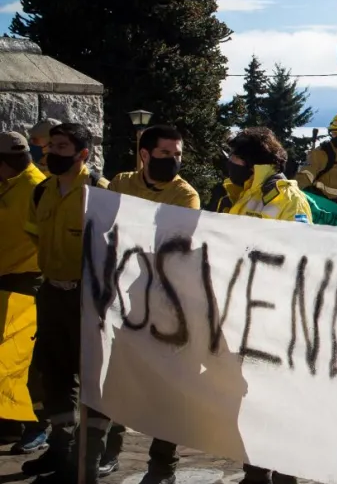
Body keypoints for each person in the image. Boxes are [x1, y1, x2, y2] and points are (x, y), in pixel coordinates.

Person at [105, 125, 200, 484]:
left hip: (165, 303)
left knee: (166, 386)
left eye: (177, 155)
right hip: (121, 298)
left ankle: (163, 465)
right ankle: (109, 452)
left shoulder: (185, 195)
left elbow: (173, 244)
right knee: (117, 377)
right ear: (144, 155)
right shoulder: (120, 183)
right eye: (165, 154)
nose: (173, 161)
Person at [21, 123, 111, 483]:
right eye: (51, 147)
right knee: (54, 372)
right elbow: (33, 237)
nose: (51, 153)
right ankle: (60, 447)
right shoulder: (42, 191)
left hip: (87, 297)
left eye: (61, 147)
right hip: (51, 294)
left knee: (90, 375)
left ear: (82, 154)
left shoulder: (100, 193)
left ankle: (86, 458)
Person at [221, 127, 309, 483]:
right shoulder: (237, 195)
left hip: (277, 316)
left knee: (281, 400)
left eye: (236, 159)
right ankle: (254, 471)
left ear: (255, 163)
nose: (230, 165)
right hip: (244, 312)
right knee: (250, 399)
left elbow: (301, 257)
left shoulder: (290, 199)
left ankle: (287, 474)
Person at [0, 132, 48, 454]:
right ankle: (9, 423)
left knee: (24, 359)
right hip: (7, 279)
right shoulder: (10, 184)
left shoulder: (36, 188)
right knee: (5, 358)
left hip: (26, 280)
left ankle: (37, 426)